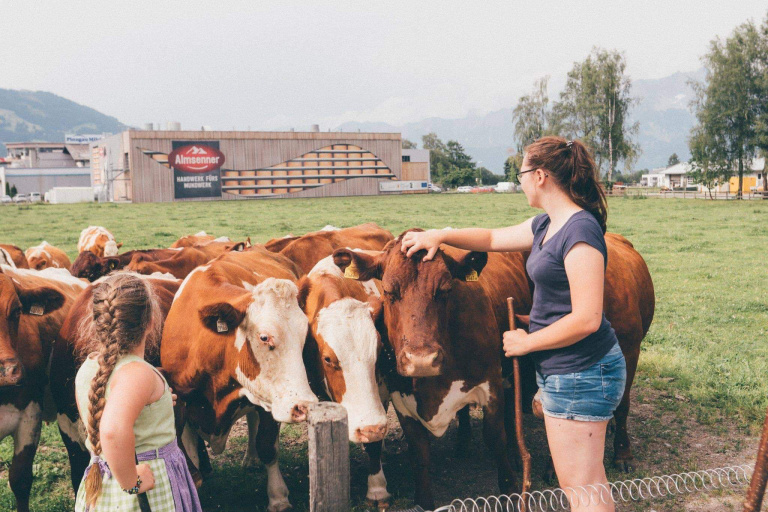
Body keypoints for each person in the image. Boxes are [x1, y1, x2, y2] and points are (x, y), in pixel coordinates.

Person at [401, 136, 626, 511]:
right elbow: (490, 238)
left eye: (520, 172)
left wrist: (528, 342)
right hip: (570, 370)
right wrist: (439, 234)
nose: (518, 180)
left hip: (582, 372)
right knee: (586, 480)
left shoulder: (579, 231)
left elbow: (587, 318)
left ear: (540, 176)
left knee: (580, 484)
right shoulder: (547, 225)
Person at [74, 273, 202, 512]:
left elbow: (108, 409)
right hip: (142, 489)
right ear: (151, 320)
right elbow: (112, 431)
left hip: (104, 483)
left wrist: (158, 405)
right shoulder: (138, 373)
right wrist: (132, 483)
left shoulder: (89, 367)